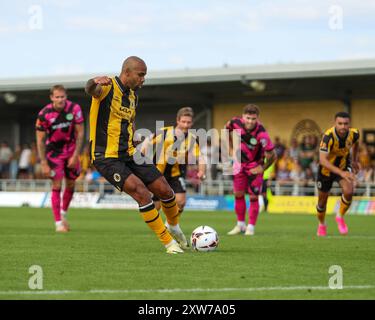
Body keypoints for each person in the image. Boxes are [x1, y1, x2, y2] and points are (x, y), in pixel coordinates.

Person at [85, 56, 186, 254]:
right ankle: (169, 243)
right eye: (141, 75)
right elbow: (90, 90)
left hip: (130, 153)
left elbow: (128, 123)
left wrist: (133, 139)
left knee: (165, 189)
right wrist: (93, 81)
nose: (143, 79)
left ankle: (173, 226)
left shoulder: (133, 96)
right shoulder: (106, 87)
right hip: (106, 156)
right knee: (142, 192)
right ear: (127, 72)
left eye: (145, 75)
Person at [36, 85, 84, 232]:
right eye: (57, 97)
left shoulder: (74, 109)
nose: (60, 99)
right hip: (53, 154)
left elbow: (81, 133)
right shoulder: (44, 114)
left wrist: (76, 156)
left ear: (66, 96)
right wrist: (43, 162)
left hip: (71, 151)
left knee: (70, 184)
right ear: (52, 97)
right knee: (56, 185)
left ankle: (63, 214)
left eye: (62, 96)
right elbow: (39, 140)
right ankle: (58, 224)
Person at [143, 107, 206, 217]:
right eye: (183, 122)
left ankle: (171, 225)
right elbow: (147, 141)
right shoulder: (164, 132)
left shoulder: (192, 139)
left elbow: (200, 157)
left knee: (181, 202)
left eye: (189, 122)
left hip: (176, 174)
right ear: (177, 120)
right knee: (156, 206)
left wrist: (201, 171)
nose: (186, 125)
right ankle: (160, 229)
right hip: (158, 173)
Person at [225, 104, 276, 236]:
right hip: (238, 164)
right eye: (248, 118)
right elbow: (226, 130)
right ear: (243, 117)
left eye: (253, 119)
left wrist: (262, 167)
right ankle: (240, 225)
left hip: (254, 167)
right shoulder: (234, 123)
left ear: (257, 118)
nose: (250, 121)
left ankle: (251, 227)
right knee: (238, 194)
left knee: (253, 197)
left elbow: (273, 155)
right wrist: (230, 149)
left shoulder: (262, 134)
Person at [316, 112, 360, 236]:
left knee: (349, 191)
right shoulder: (328, 137)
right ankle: (322, 224)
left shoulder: (354, 133)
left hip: (343, 167)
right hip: (326, 170)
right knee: (322, 203)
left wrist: (355, 160)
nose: (343, 127)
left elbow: (356, 144)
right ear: (335, 123)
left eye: (346, 124)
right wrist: (341, 172)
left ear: (349, 124)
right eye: (340, 123)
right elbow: (322, 160)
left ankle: (339, 216)